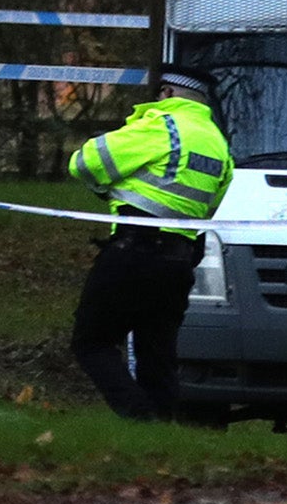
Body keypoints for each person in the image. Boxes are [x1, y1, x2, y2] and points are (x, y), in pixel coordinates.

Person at [68, 64, 235, 425]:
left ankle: (138, 415)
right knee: (157, 356)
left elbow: (84, 162)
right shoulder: (218, 144)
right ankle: (162, 430)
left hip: (133, 253)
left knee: (91, 342)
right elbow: (209, 205)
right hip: (177, 263)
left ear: (168, 93)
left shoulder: (162, 126)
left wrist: (106, 189)